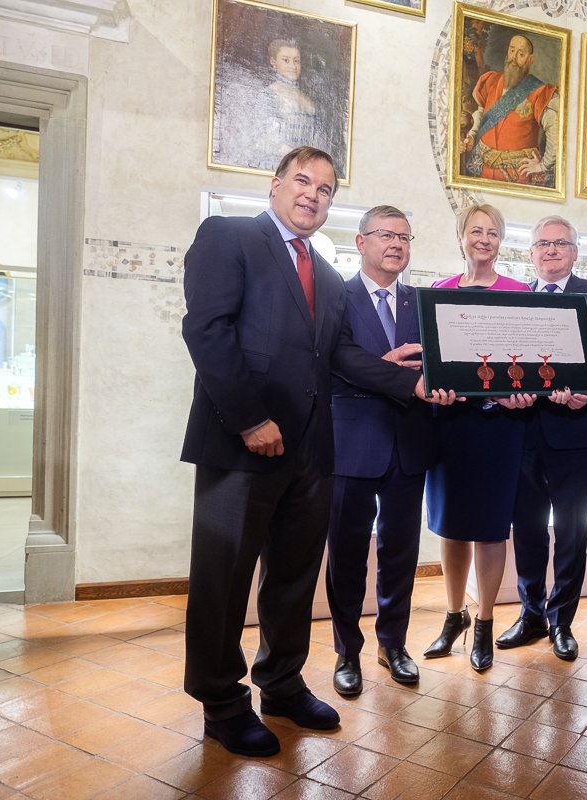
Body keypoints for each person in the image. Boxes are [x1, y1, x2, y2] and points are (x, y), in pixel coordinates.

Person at [180, 146, 450, 758]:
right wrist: (250, 420)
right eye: (303, 181)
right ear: (276, 185)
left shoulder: (326, 277)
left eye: (326, 189)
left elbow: (340, 357)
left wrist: (403, 378)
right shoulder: (228, 236)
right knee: (224, 579)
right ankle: (222, 703)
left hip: (311, 452)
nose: (313, 194)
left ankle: (281, 683)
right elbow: (207, 331)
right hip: (241, 446)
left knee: (295, 577)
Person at [495, 216, 587, 661]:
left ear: (575, 252)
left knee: (571, 531)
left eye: (560, 243)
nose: (551, 250)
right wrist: (507, 391)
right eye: (542, 243)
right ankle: (530, 614)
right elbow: (504, 356)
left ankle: (561, 620)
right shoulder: (516, 296)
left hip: (577, 431)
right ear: (530, 253)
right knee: (527, 530)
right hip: (523, 432)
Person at [325, 206, 434, 698]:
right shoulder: (336, 296)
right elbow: (334, 359)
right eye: (386, 235)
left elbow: (441, 361)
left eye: (404, 238)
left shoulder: (421, 302)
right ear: (360, 241)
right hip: (352, 443)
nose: (396, 244)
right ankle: (347, 651)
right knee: (347, 553)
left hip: (409, 442)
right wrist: (392, 372)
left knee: (400, 552)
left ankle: (393, 644)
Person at [423, 203, 532, 672]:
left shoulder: (521, 292)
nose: (484, 239)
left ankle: (484, 621)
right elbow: (433, 359)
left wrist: (523, 394)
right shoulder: (439, 292)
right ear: (461, 237)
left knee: (490, 528)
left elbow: (532, 359)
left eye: (492, 232)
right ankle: (454, 617)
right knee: (451, 526)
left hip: (500, 428)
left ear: (500, 242)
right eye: (476, 231)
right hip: (450, 425)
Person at [460, 34, 559, 186]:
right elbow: (481, 112)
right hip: (484, 170)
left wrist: (543, 165)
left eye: (521, 54)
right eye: (512, 51)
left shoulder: (539, 91)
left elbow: (555, 127)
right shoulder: (491, 80)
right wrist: (472, 136)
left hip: (518, 175)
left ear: (530, 60)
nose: (514, 58)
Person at [254, 39, 319, 171]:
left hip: (306, 165)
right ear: (273, 62)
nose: (293, 66)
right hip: (279, 164)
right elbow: (265, 138)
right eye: (286, 60)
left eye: (296, 61)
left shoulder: (307, 98)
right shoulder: (268, 94)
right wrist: (296, 158)